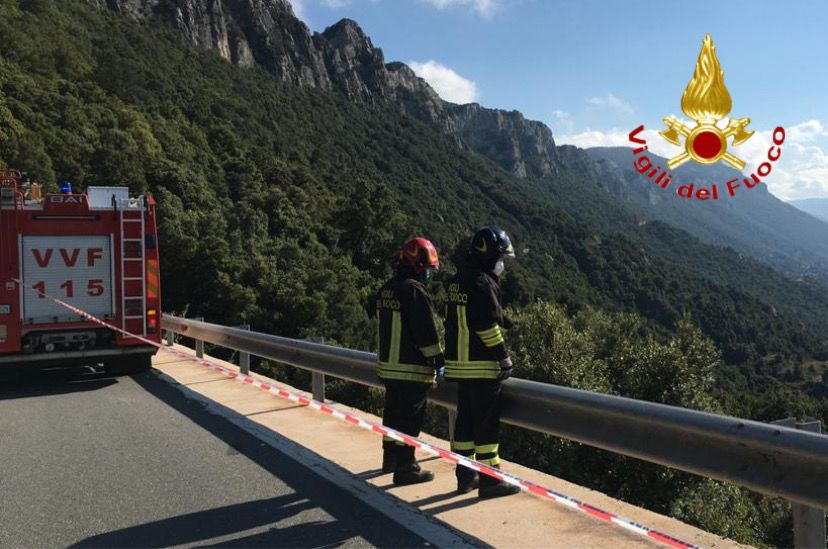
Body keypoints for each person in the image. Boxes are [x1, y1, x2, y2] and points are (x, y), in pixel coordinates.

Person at [444, 227, 521, 499]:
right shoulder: (483, 283)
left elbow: (470, 316)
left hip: (458, 365)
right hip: (481, 365)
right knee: (486, 425)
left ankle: (466, 476)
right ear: (490, 256)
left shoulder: (456, 281)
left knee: (464, 423)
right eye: (500, 257)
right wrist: (503, 356)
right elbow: (486, 324)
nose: (502, 264)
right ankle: (491, 480)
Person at [374, 237, 445, 485]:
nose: (428, 275)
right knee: (410, 419)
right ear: (417, 266)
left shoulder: (387, 289)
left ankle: (390, 459)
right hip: (412, 369)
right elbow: (426, 333)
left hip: (389, 368)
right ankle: (406, 468)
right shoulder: (414, 291)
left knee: (392, 414)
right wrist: (438, 360)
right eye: (427, 270)